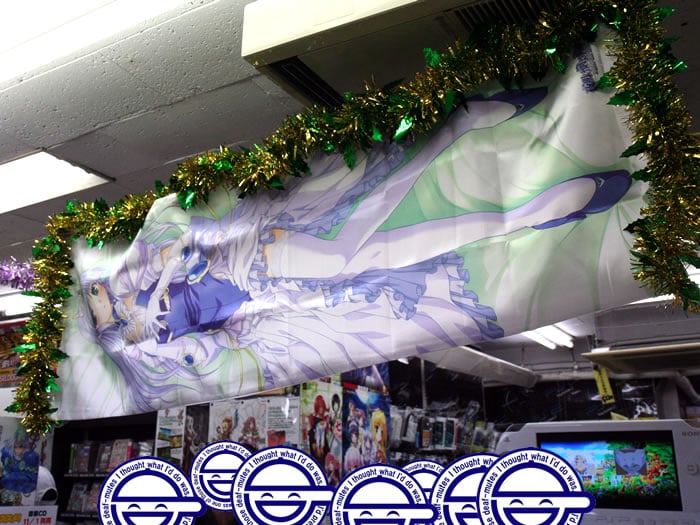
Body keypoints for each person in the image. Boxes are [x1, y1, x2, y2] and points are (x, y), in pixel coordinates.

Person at [75, 86, 633, 413]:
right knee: (392, 251)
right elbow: (212, 344)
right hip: (276, 298)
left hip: (260, 260)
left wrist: (164, 278)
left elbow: (169, 246)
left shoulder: (135, 284)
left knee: (364, 233)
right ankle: (544, 204)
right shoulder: (155, 349)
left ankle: (515, 174)